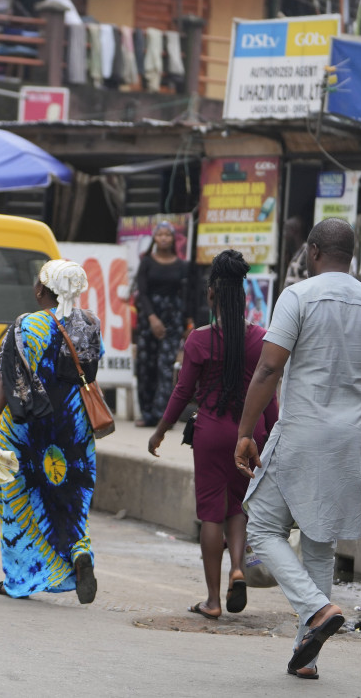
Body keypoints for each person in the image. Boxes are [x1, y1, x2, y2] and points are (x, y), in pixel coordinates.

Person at [234, 218, 361, 679]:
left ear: (314, 251)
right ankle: (309, 658)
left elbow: (268, 370)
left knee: (262, 528)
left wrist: (246, 432)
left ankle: (318, 609)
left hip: (302, 433)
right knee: (320, 544)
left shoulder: (298, 296)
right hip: (348, 441)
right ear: (352, 255)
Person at [147, 250, 278, 619]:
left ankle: (213, 600)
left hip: (211, 432)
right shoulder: (261, 340)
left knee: (211, 514)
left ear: (210, 295)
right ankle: (238, 568)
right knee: (238, 507)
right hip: (250, 434)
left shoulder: (199, 340)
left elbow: (182, 392)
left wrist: (160, 432)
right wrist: (273, 436)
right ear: (244, 295)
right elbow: (268, 394)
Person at [0, 260, 102, 602]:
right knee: (70, 494)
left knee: (20, 500)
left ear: (40, 290)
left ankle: (21, 578)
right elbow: (89, 372)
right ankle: (79, 551)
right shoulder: (90, 324)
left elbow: (5, 379)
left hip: (28, 426)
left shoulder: (23, 327)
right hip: (74, 426)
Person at [134, 221, 195, 427]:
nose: (163, 238)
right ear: (154, 238)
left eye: (167, 235)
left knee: (165, 367)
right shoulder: (147, 262)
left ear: (173, 239)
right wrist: (152, 318)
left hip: (173, 318)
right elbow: (141, 293)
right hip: (149, 317)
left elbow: (186, 294)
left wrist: (188, 322)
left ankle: (162, 415)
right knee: (146, 365)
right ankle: (147, 413)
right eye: (159, 234)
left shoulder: (181, 265)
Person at [282, 216, 309, 290]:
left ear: (294, 230)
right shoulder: (298, 252)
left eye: (286, 230)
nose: (284, 235)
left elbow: (309, 279)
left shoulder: (306, 252)